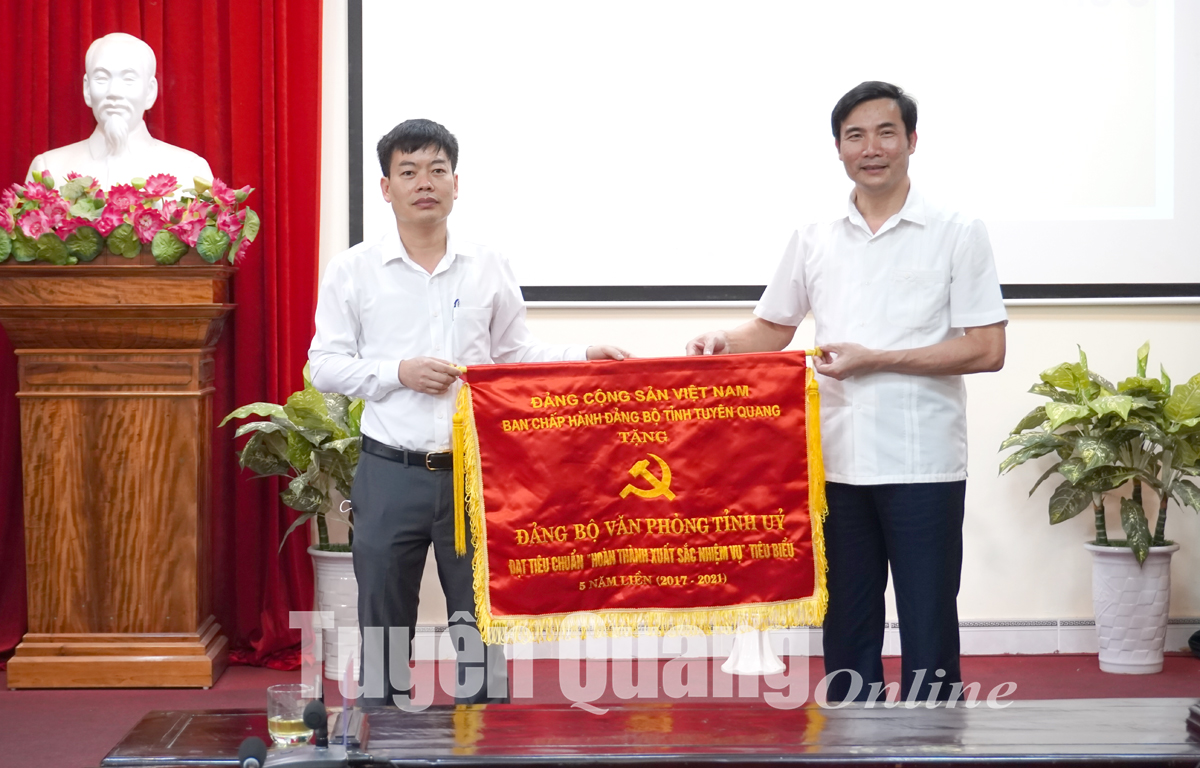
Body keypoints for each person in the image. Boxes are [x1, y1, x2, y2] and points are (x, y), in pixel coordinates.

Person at [686, 82, 1006, 702]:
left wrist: (878, 358)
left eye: (886, 132)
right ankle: (852, 734)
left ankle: (934, 735)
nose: (871, 148)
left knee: (929, 618)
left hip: (925, 462)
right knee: (847, 622)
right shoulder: (814, 234)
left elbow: (988, 349)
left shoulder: (957, 231)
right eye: (855, 136)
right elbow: (773, 328)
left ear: (912, 141)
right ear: (838, 148)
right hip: (834, 460)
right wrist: (724, 340)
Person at [309, 119, 628, 706]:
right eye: (408, 171)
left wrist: (584, 355)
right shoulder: (353, 269)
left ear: (456, 183)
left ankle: (484, 736)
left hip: (473, 475)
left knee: (481, 625)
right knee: (384, 627)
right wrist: (397, 373)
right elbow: (323, 366)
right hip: (390, 472)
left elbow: (514, 354)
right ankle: (384, 733)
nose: (424, 183)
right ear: (386, 188)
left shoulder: (487, 264)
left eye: (437, 170)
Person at [27, 32, 212, 189]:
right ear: (87, 89)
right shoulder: (49, 170)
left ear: (150, 92)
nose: (114, 92)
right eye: (102, 78)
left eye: (128, 79)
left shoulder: (190, 172)